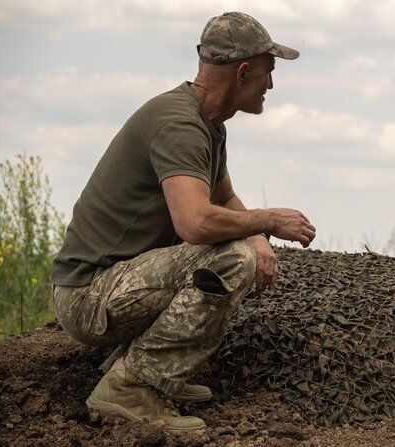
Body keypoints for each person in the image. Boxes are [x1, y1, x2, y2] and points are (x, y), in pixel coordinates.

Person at [49, 12, 316, 432]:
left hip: (117, 282)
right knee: (230, 259)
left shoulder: (208, 123)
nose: (271, 84)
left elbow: (223, 197)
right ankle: (132, 386)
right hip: (89, 294)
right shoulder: (179, 124)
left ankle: (141, 367)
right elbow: (194, 222)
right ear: (243, 71)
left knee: (241, 248)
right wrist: (267, 220)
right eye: (268, 72)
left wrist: (256, 235)